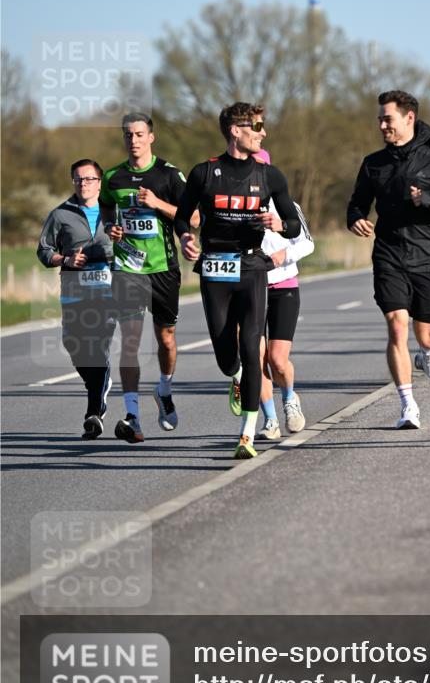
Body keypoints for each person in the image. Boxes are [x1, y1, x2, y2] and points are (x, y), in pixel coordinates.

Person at [175, 102, 301, 459]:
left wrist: (279, 225)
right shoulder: (203, 173)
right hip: (215, 267)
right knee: (227, 357)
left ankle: (247, 434)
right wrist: (185, 238)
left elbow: (292, 223)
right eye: (256, 126)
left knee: (251, 347)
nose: (263, 132)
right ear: (235, 130)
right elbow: (181, 218)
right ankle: (234, 375)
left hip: (252, 268)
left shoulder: (270, 176)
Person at [347, 90, 430, 430]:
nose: (382, 124)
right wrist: (355, 217)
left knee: (427, 336)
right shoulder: (374, 162)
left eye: (387, 118)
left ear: (409, 118)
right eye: (380, 119)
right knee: (396, 325)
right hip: (389, 253)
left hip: (427, 255)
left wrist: (428, 198)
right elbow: (357, 202)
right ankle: (407, 405)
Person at [101, 112, 191, 444]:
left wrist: (157, 203)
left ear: (151, 137)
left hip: (164, 267)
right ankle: (133, 416)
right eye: (128, 135)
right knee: (130, 343)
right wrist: (110, 228)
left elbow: (192, 215)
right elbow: (107, 210)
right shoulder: (113, 177)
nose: (133, 140)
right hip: (128, 269)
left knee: (166, 338)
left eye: (139, 134)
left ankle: (164, 389)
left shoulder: (169, 175)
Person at [37, 160, 115, 439]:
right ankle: (98, 383)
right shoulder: (60, 215)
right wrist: (66, 258)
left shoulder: (114, 212)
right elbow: (44, 251)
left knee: (98, 345)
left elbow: (132, 246)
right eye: (78, 179)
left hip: (108, 290)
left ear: (100, 181)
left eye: (89, 179)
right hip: (74, 289)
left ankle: (94, 411)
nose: (84, 184)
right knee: (74, 345)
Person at [252, 148, 315, 441]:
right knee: (256, 358)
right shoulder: (236, 206)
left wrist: (283, 254)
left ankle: (289, 398)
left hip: (283, 286)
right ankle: (270, 420)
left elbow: (308, 244)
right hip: (249, 288)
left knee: (277, 360)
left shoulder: (287, 205)